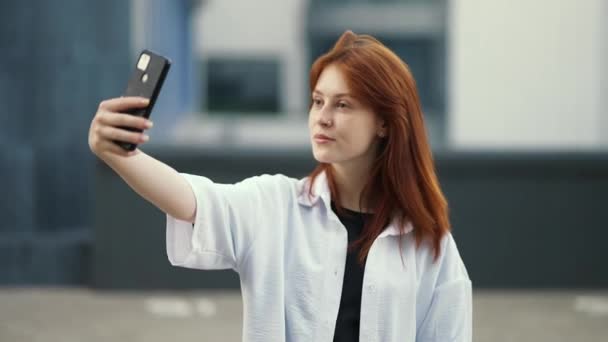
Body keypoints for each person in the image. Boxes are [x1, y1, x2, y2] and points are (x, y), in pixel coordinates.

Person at [88, 30, 472, 342]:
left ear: (385, 122)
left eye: (343, 105)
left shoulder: (429, 244)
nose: (322, 118)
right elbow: (193, 200)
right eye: (317, 101)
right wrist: (121, 156)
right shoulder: (275, 206)